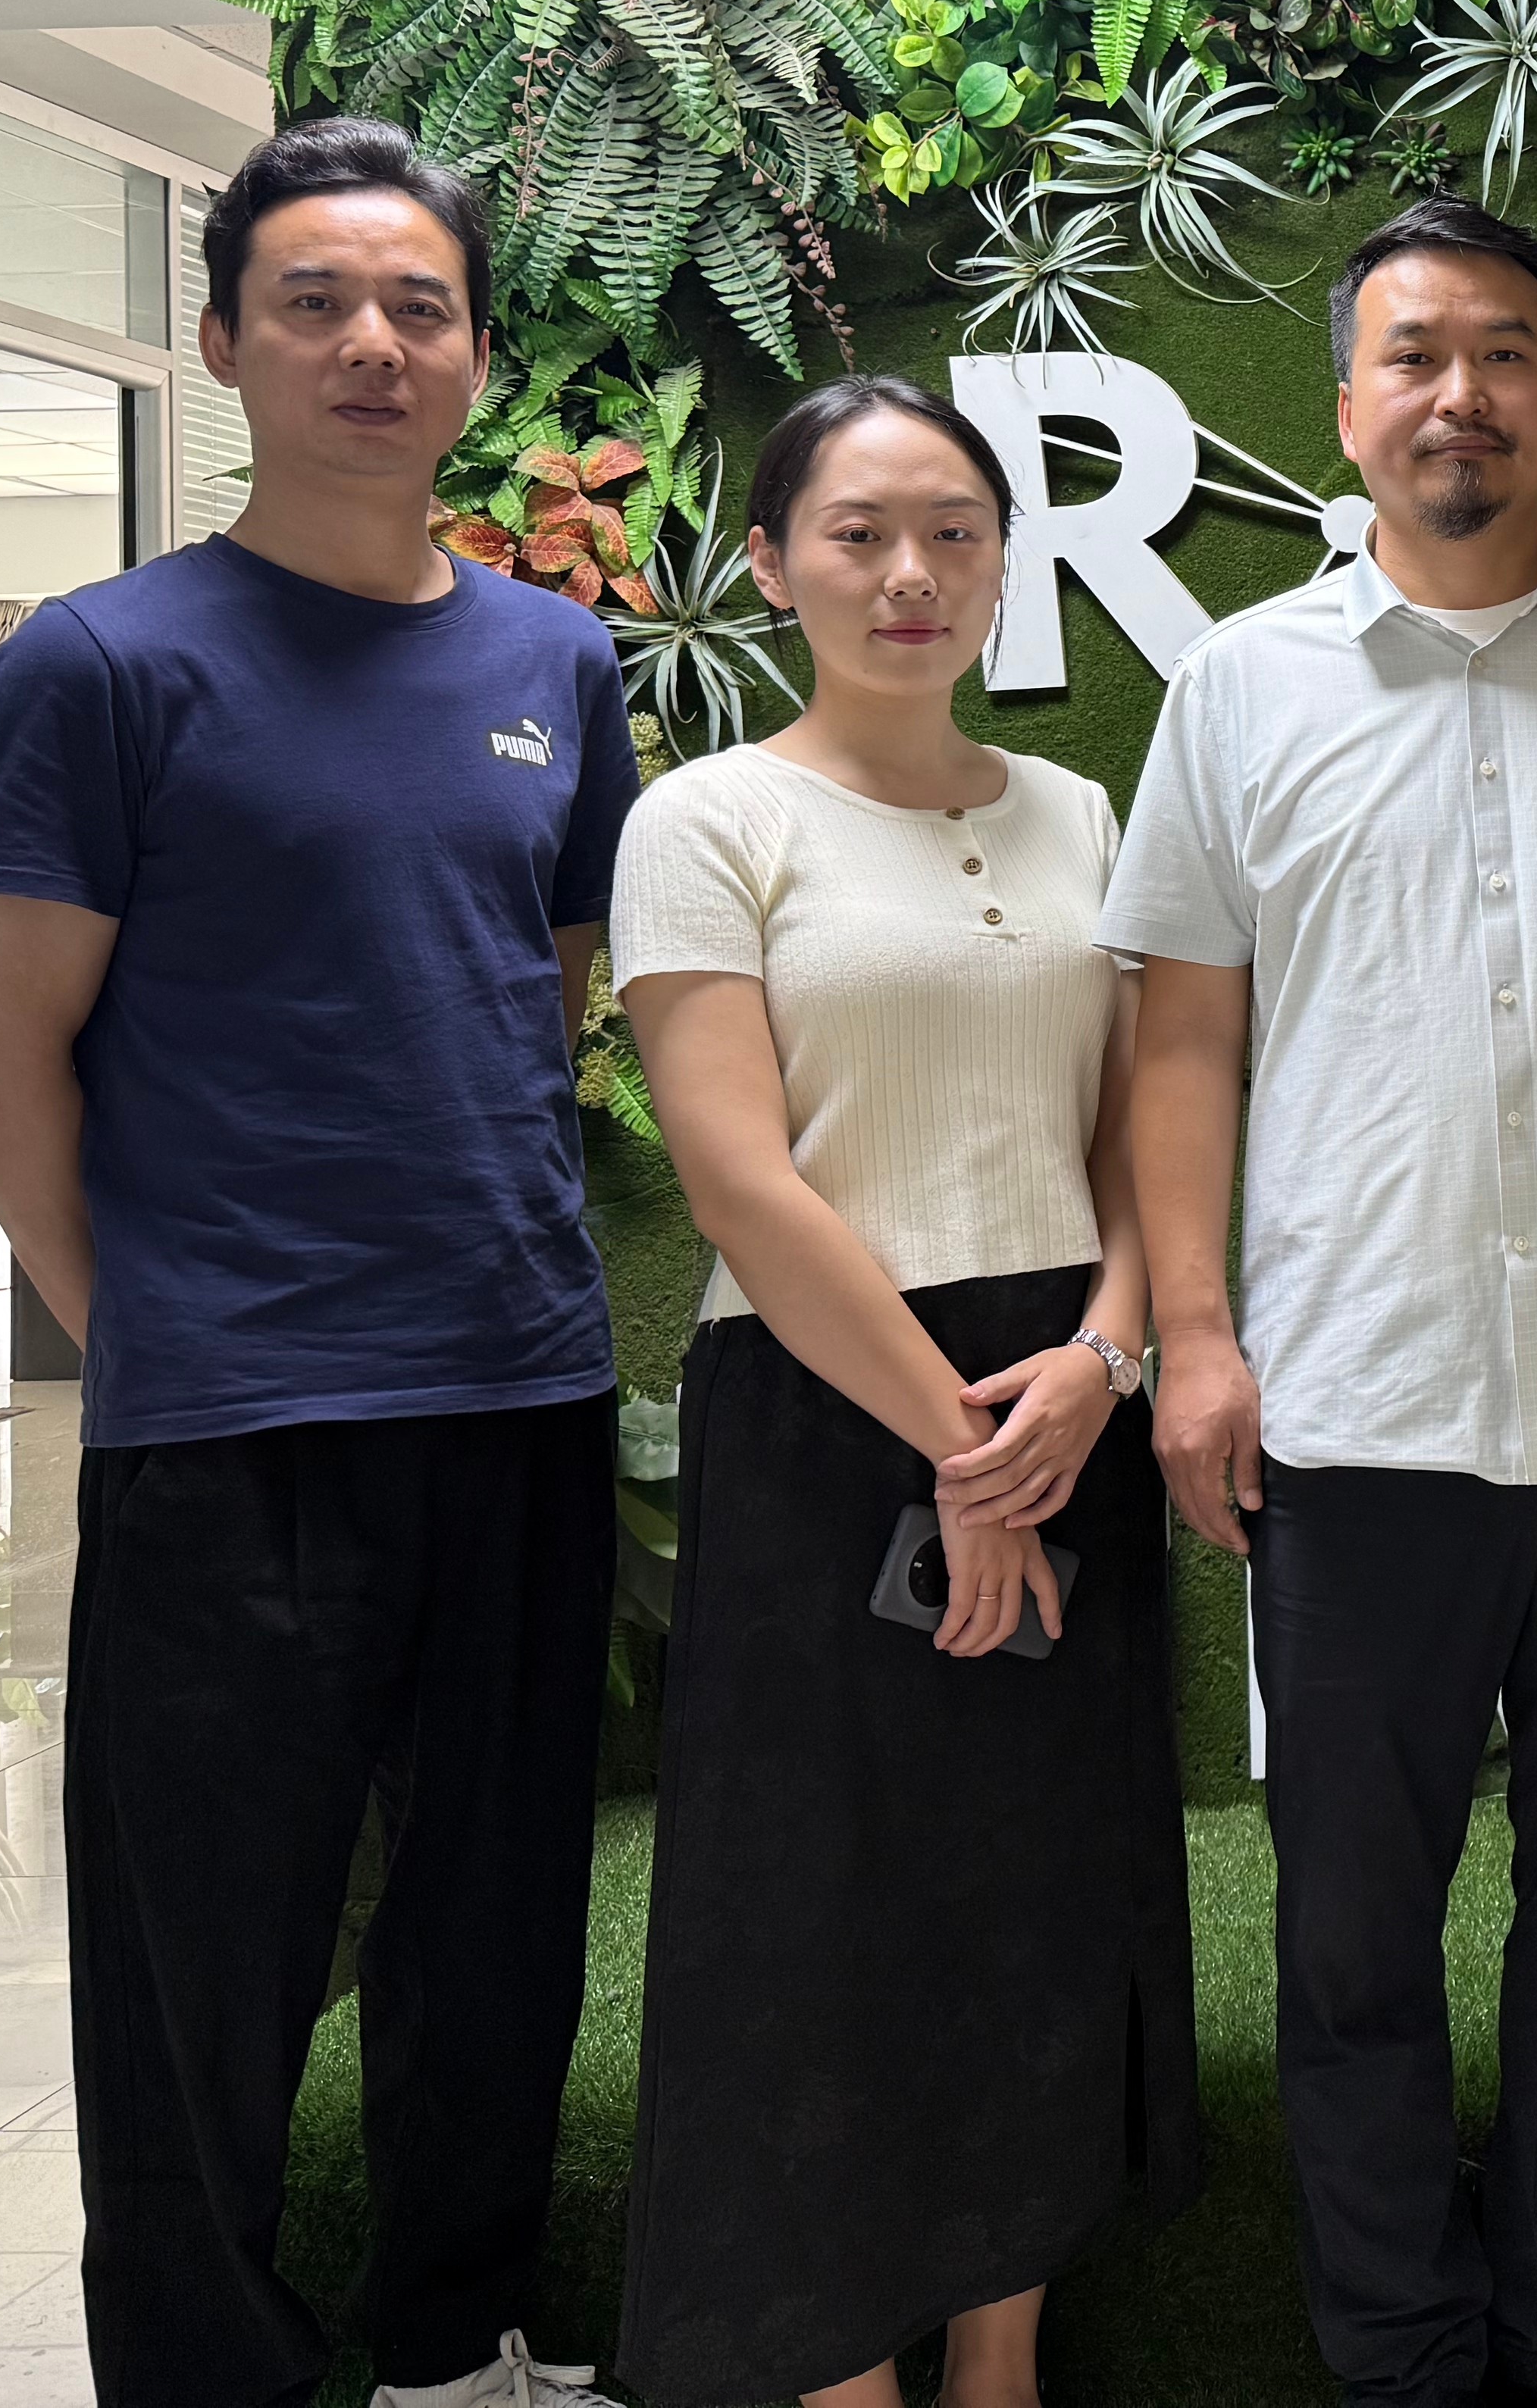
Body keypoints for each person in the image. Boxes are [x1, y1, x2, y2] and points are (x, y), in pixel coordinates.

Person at [0, 117, 640, 2408]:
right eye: (316, 302)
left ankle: (454, 2353)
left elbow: (540, 995)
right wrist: (151, 1324)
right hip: (233, 1432)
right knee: (199, 1974)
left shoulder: (556, 659)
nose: (370, 345)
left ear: (476, 358)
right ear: (227, 340)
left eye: (419, 307)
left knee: (495, 1935)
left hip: (517, 1395)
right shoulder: (96, 668)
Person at [1107, 195, 1537, 2408]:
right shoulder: (1241, 686)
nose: (1461, 395)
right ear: (1346, 408)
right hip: (1356, 1421)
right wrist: (1197, 1338)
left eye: (1505, 352)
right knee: (1353, 1941)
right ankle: (1403, 2344)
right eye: (1414, 356)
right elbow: (1181, 1037)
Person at [607, 374, 1199, 2407]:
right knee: (824, 1908)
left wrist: (1105, 1359)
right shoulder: (709, 821)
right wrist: (961, 1448)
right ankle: (837, 2367)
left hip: (1062, 1396)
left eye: (954, 530)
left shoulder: (1080, 813)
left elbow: (1132, 1135)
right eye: (857, 533)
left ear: (1005, 563)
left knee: (1038, 1887)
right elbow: (741, 1182)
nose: (910, 572)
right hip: (828, 1407)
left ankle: (999, 2359)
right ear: (774, 564)